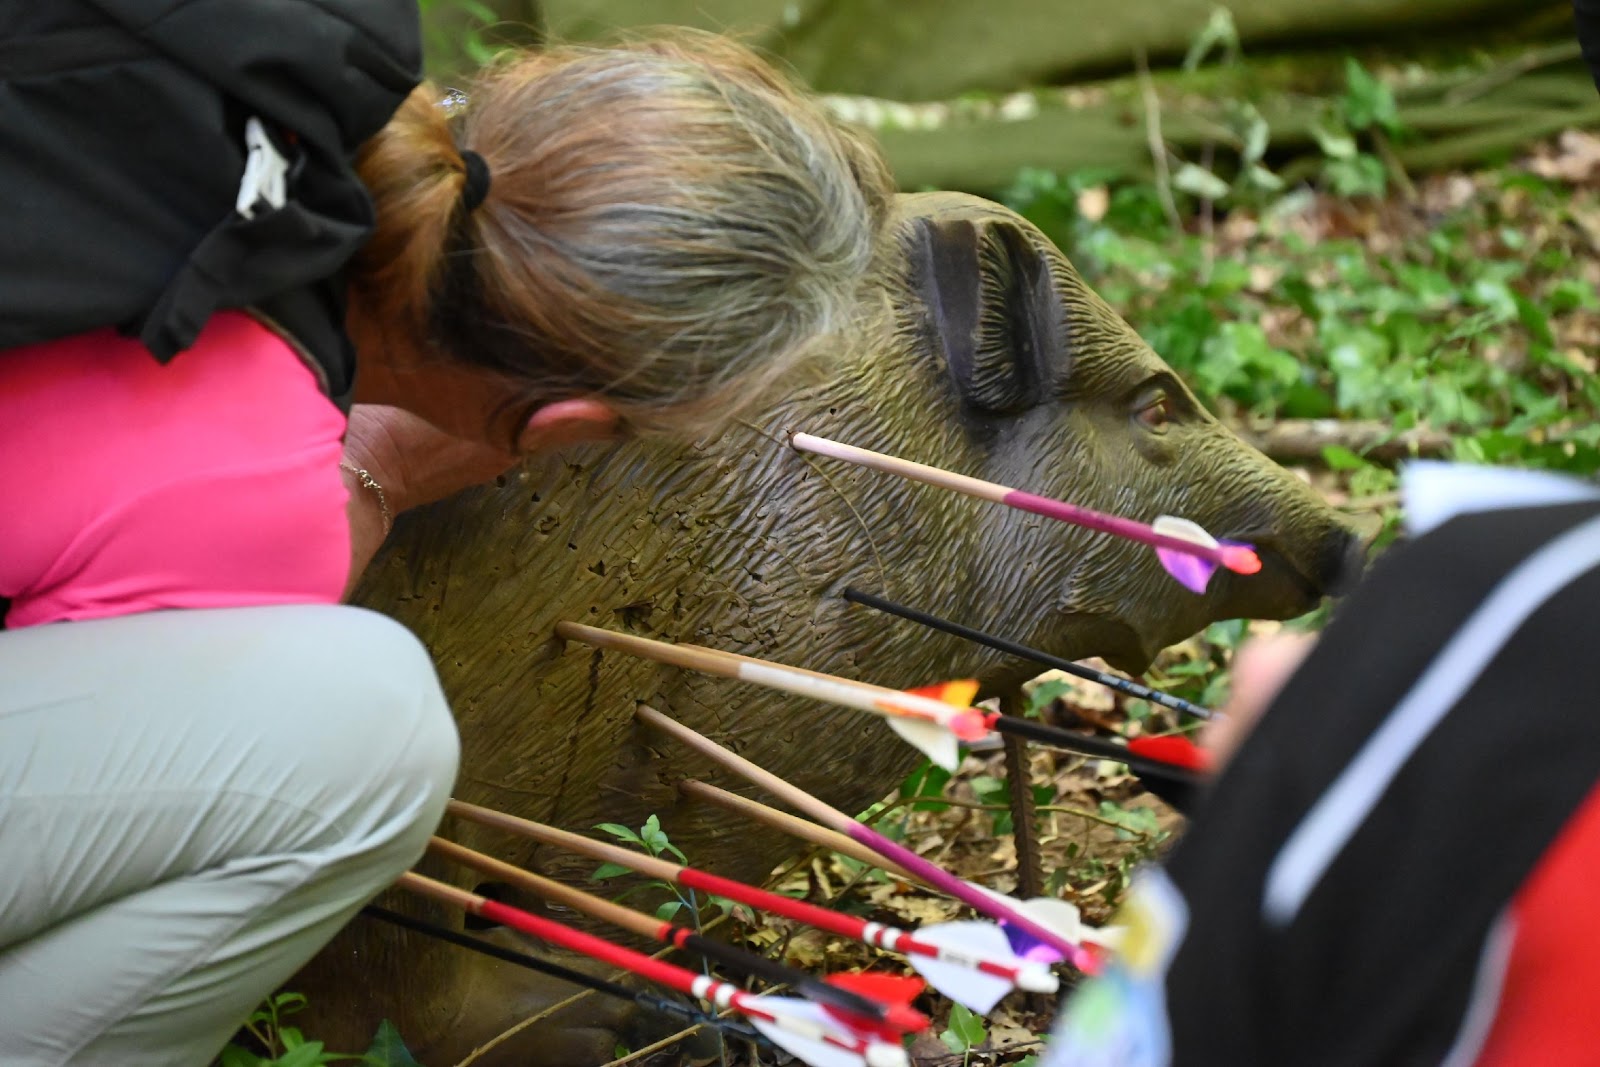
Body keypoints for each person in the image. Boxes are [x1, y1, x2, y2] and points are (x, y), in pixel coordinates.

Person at [0, 17, 895, 1067]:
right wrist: (357, 492)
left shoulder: (262, 58)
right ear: (564, 424)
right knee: (361, 730)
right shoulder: (256, 509)